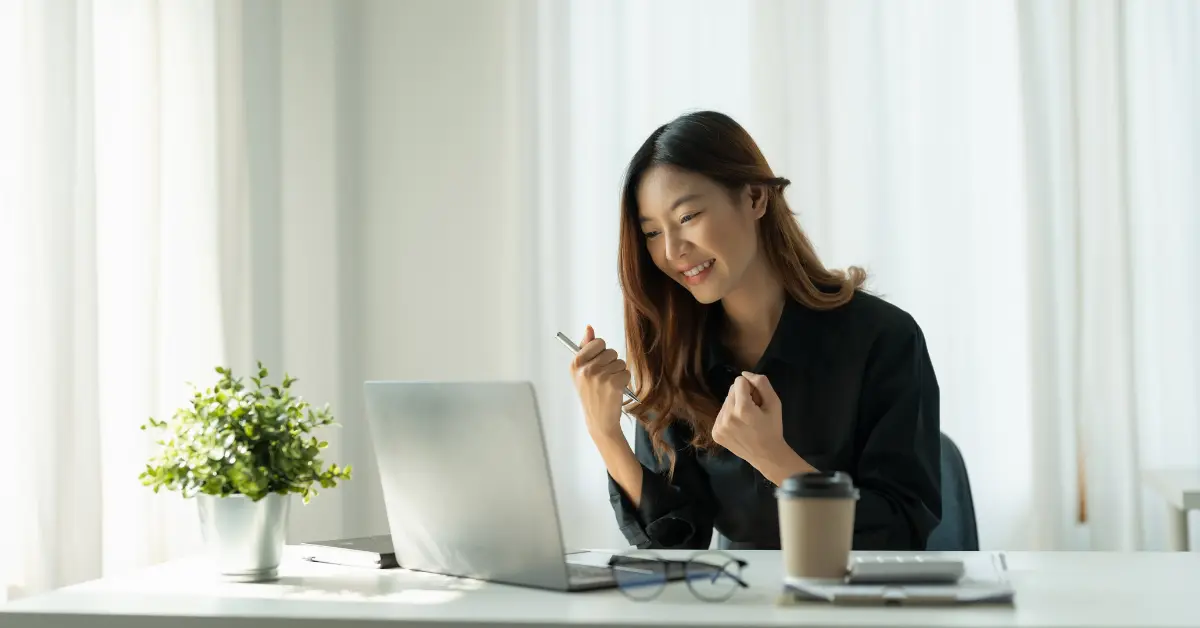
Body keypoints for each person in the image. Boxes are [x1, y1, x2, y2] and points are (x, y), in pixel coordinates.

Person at [568, 111, 941, 551]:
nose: (672, 250)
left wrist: (774, 459)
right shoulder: (676, 355)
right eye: (651, 232)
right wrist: (605, 433)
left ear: (755, 198)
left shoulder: (883, 338)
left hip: (861, 592)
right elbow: (676, 544)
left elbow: (901, 531)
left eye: (687, 217)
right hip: (742, 593)